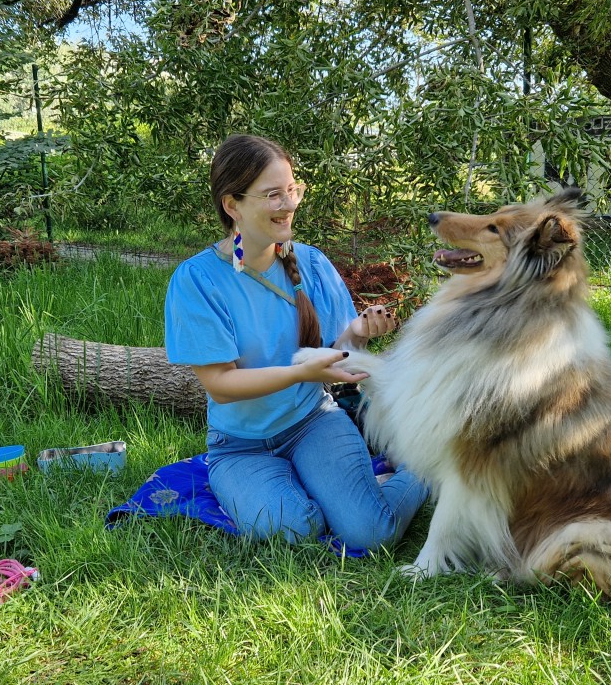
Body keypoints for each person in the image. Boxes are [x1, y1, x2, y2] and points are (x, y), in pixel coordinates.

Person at [164, 134, 428, 552]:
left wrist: (357, 334)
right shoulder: (197, 281)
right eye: (273, 195)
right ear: (233, 205)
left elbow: (333, 350)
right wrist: (300, 372)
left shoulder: (312, 263)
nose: (288, 204)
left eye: (292, 190)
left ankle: (422, 470)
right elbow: (220, 385)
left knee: (370, 532)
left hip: (313, 422)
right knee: (291, 529)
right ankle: (315, 488)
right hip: (239, 448)